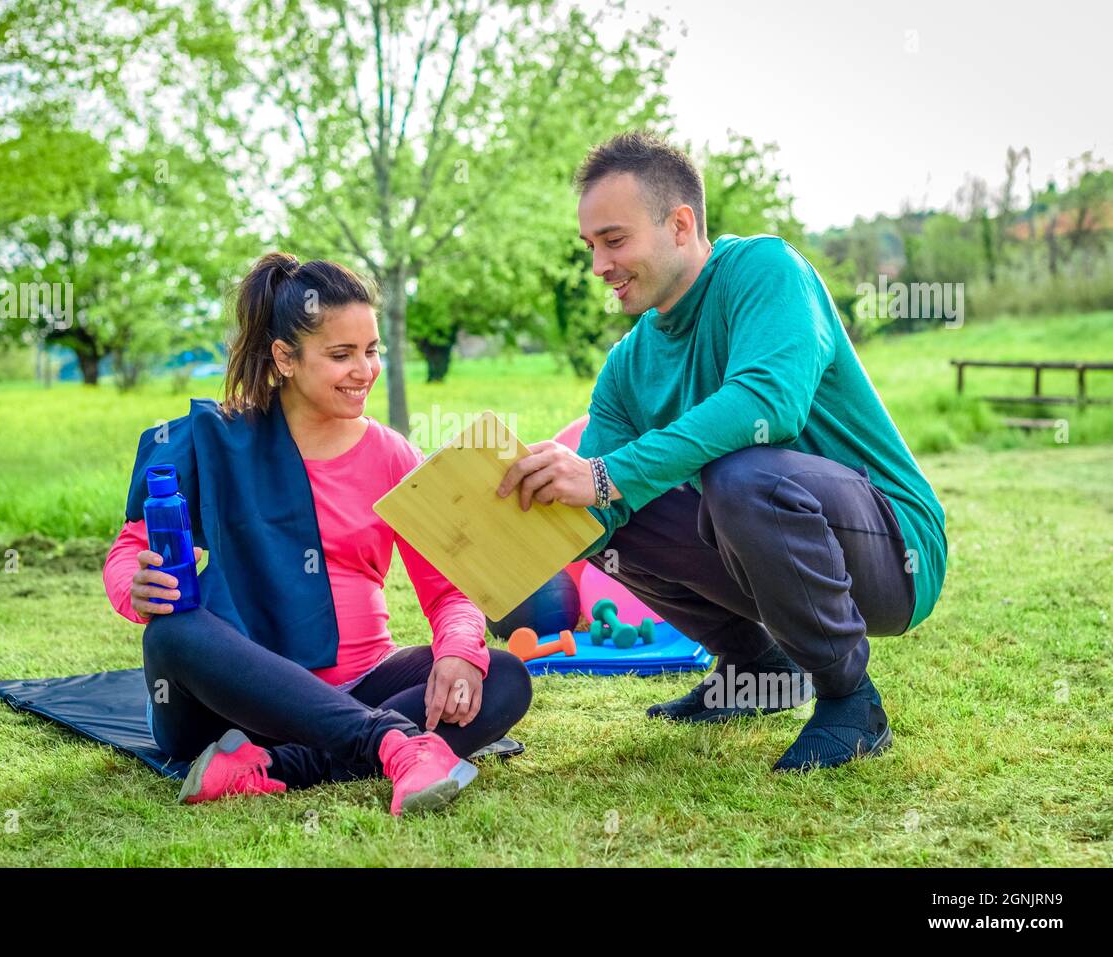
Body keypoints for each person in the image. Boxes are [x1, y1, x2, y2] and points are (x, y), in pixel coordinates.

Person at [497, 130, 946, 772]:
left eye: (615, 240)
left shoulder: (765, 271)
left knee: (741, 475)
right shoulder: (626, 366)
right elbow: (594, 501)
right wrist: (506, 552)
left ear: (680, 225)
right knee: (603, 520)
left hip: (893, 550)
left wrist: (603, 476)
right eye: (590, 245)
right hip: (767, 544)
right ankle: (757, 668)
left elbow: (770, 404)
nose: (599, 265)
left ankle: (851, 701)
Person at [103, 252, 532, 814]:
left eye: (372, 350)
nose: (365, 370)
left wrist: (457, 652)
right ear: (284, 357)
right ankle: (391, 746)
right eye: (341, 355)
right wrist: (132, 588)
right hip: (230, 710)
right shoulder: (218, 440)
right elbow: (131, 548)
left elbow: (450, 588)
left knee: (502, 676)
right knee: (171, 633)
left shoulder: (391, 454)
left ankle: (276, 769)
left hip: (361, 683)